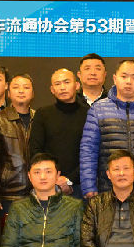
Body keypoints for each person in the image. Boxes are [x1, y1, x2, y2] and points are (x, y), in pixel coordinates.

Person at [80, 60, 134, 197]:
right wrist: (89, 186)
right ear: (115, 79)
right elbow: (88, 151)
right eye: (124, 76)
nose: (129, 81)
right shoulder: (98, 109)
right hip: (107, 190)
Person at [29, 68, 89, 199]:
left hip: (80, 185)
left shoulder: (89, 114)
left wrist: (69, 180)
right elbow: (35, 150)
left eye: (66, 82)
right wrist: (53, 178)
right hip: (49, 184)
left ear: (77, 85)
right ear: (52, 89)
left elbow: (91, 153)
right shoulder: (43, 114)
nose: (62, 87)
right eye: (57, 84)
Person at [0, 74, 35, 213]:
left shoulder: (39, 118)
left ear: (33, 93)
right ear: (9, 94)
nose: (21, 91)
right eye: (16, 87)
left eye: (26, 87)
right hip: (9, 195)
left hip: (36, 193)